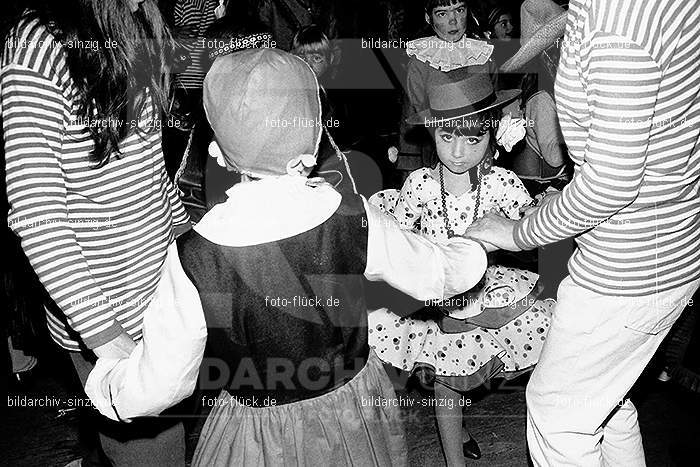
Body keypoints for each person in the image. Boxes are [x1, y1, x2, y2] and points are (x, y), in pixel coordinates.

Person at [178, 47, 490, 467]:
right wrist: (478, 242)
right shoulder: (351, 213)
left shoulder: (193, 252)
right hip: (352, 414)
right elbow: (439, 274)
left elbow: (166, 381)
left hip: (255, 432)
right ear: (311, 126)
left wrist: (110, 383)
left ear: (218, 138)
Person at [466, 0, 700, 464]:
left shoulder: (617, 24)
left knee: (559, 414)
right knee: (607, 407)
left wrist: (516, 232)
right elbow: (639, 148)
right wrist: (571, 195)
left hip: (626, 269)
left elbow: (612, 183)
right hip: (662, 250)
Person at [1, 0, 190, 465]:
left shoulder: (135, 18)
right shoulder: (34, 47)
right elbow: (37, 215)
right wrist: (108, 339)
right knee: (155, 454)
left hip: (159, 298)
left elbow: (149, 168)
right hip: (106, 315)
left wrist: (190, 248)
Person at [369, 72, 554, 466]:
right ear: (432, 133)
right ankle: (455, 457)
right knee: (447, 381)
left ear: (492, 136)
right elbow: (401, 239)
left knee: (468, 373)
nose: (456, 152)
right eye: (446, 137)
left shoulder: (502, 182)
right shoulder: (419, 182)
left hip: (488, 289)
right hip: (435, 293)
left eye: (472, 139)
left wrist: (539, 213)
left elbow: (531, 230)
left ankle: (463, 427)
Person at [394, 0, 495, 181]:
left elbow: (494, 106)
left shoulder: (482, 54)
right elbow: (411, 117)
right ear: (428, 18)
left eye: (459, 10)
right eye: (442, 13)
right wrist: (409, 169)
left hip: (478, 151)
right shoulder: (421, 61)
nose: (453, 21)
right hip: (435, 157)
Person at [500, 0, 569, 195]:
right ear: (548, 56)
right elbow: (555, 158)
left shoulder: (550, 92)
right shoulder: (542, 101)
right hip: (540, 191)